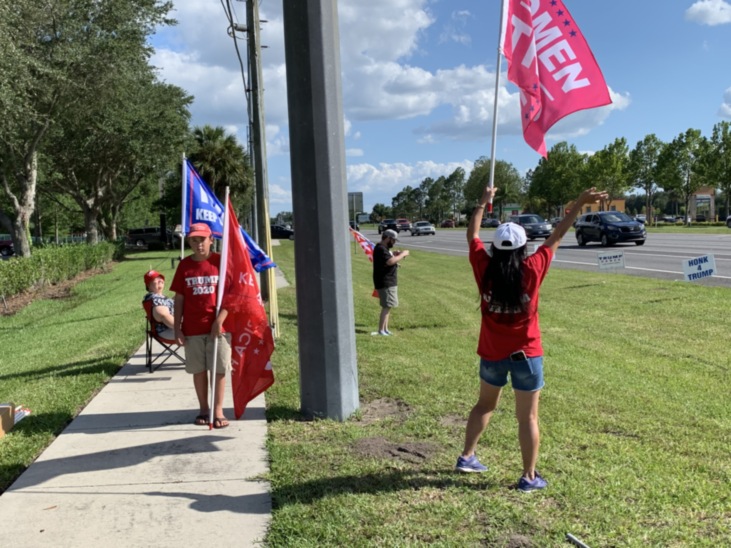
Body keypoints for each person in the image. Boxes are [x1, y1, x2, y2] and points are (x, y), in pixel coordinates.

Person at [457, 186, 607, 492]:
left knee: (484, 406)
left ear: (496, 248)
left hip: (491, 354)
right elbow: (558, 236)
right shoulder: (532, 268)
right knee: (527, 418)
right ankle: (528, 477)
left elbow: (471, 234)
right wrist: (579, 202)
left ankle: (467, 456)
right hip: (526, 356)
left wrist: (482, 204)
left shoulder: (483, 267)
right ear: (523, 247)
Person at [170, 223, 232, 429]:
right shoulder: (185, 266)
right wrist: (178, 327)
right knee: (199, 370)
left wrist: (220, 320)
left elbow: (233, 295)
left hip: (219, 329)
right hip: (193, 328)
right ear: (189, 242)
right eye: (194, 240)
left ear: (211, 240)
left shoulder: (221, 263)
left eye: (202, 240)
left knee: (219, 369)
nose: (198, 245)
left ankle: (218, 410)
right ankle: (204, 409)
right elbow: (179, 298)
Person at [372, 228, 409, 336]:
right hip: (385, 281)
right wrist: (402, 255)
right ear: (388, 238)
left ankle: (385, 329)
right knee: (386, 306)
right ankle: (381, 330)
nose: (394, 243)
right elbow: (389, 261)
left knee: (389, 306)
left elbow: (388, 256)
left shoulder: (383, 248)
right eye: (393, 240)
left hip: (388, 281)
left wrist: (394, 253)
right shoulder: (381, 248)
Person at [142, 270, 175, 340]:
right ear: (148, 285)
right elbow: (163, 316)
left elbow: (170, 303)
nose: (159, 280)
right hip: (168, 330)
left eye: (160, 278)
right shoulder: (155, 298)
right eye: (155, 279)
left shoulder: (159, 297)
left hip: (171, 328)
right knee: (198, 332)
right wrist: (185, 327)